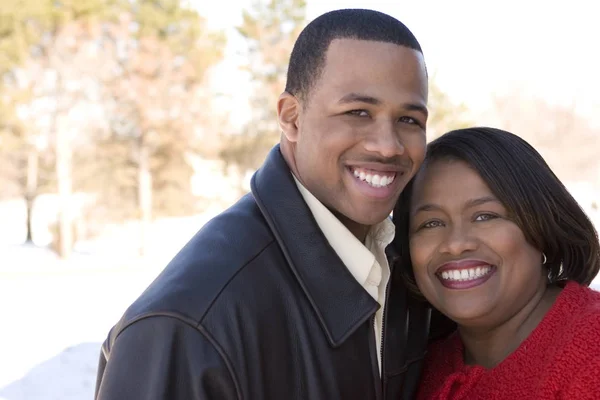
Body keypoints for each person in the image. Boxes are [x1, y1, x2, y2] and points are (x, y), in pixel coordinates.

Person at [95, 9, 432, 400]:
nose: (387, 145)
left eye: (409, 120)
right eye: (358, 113)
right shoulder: (190, 325)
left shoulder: (411, 270)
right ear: (291, 118)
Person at [392, 127, 600, 399]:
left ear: (542, 225)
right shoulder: (420, 365)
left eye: (484, 216)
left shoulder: (591, 352)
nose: (455, 243)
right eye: (431, 223)